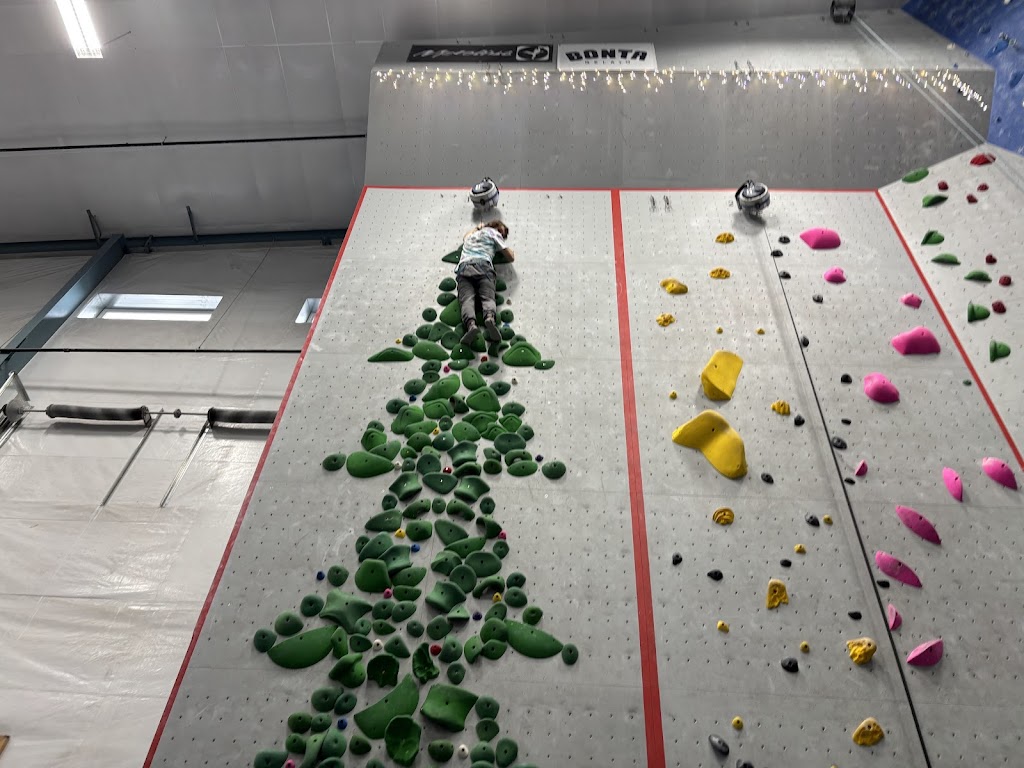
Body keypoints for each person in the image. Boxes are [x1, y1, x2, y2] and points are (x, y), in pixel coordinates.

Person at [455, 220, 514, 345]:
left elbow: (465, 237)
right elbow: (510, 257)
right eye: (502, 231)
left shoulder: (472, 235)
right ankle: (489, 318)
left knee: (466, 300)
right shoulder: (493, 233)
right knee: (487, 297)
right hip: (484, 266)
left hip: (464, 267)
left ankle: (471, 325)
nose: (502, 234)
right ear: (495, 227)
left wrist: (478, 227)